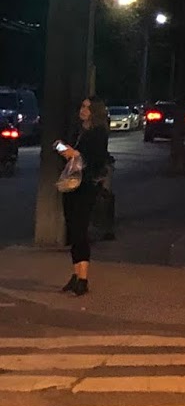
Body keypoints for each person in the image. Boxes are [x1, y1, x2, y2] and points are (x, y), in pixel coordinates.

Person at [58, 97, 111, 296]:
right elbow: (69, 150)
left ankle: (83, 277)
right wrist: (63, 149)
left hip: (86, 185)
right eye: (81, 106)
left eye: (87, 108)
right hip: (72, 184)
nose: (82, 110)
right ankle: (75, 273)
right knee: (72, 228)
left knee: (80, 229)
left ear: (95, 111)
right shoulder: (79, 130)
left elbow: (95, 158)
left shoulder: (98, 133)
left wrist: (75, 154)